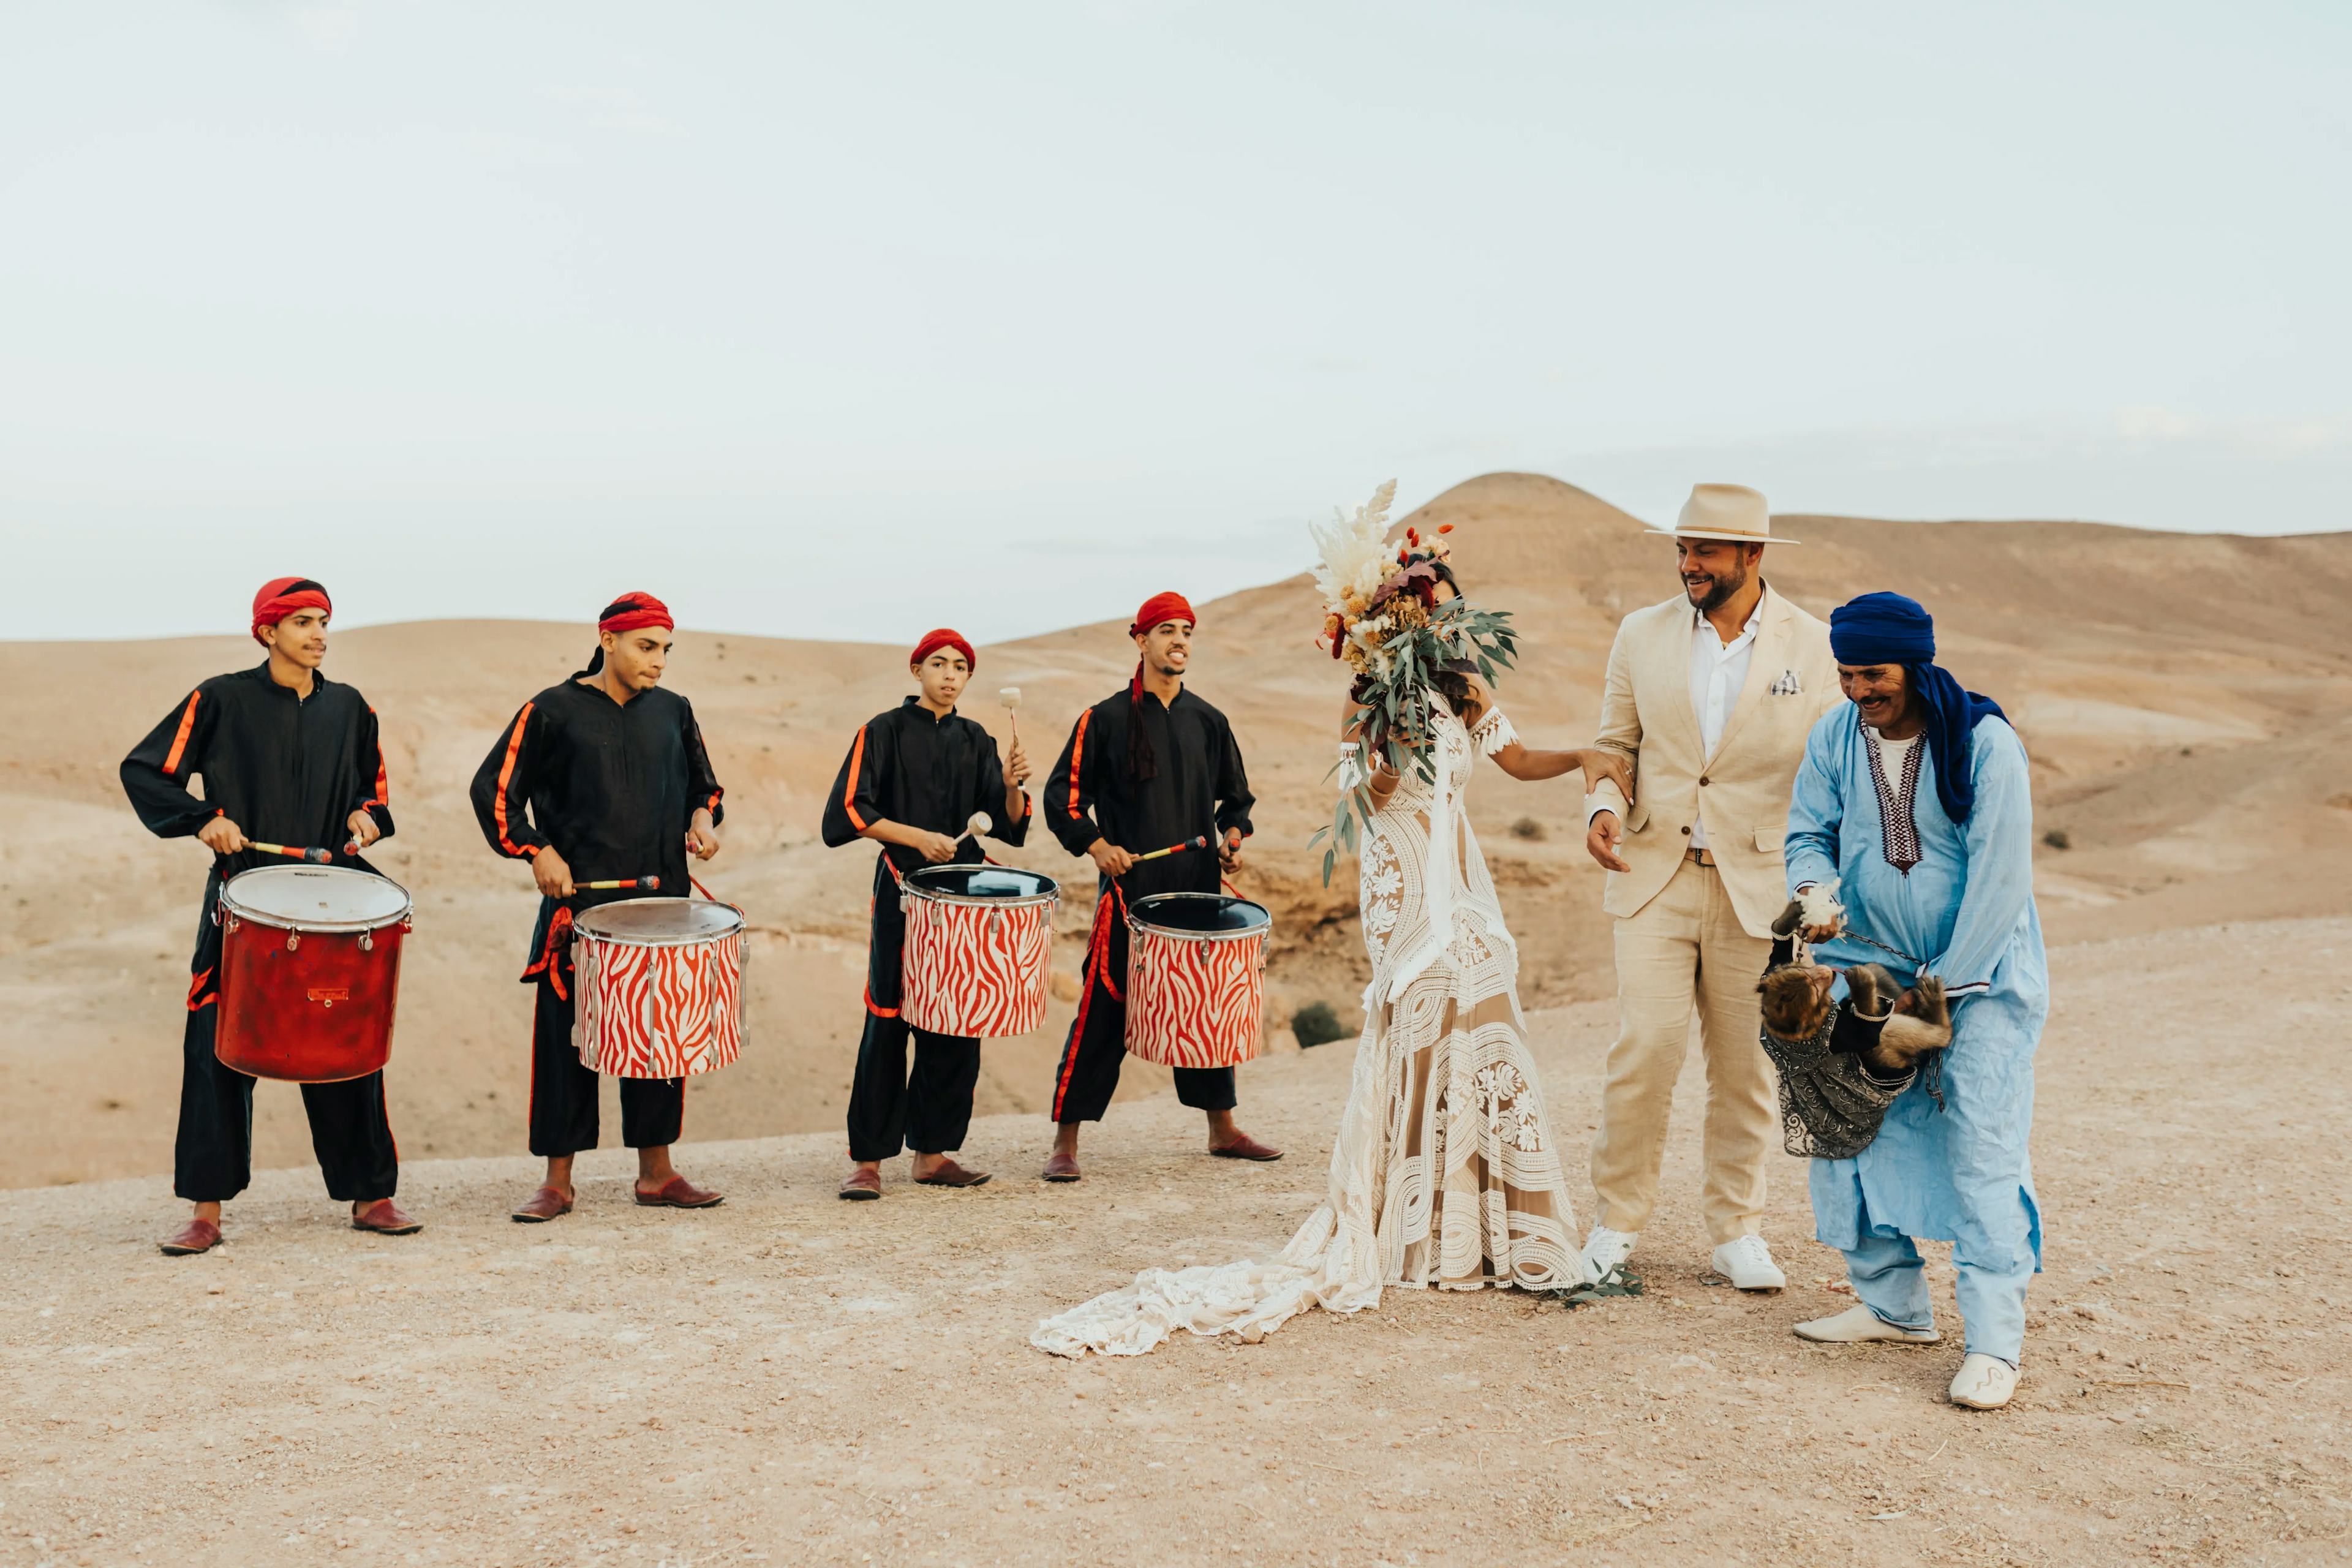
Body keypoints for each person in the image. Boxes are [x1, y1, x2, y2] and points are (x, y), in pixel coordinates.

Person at [1031, 539, 1634, 1355]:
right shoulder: (1364, 696)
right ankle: (1407, 1221)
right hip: (1399, 879)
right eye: (1433, 607)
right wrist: (1385, 756)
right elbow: (1361, 792)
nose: (1446, 620)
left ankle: (1484, 1222)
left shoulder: (1466, 687)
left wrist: (1584, 760)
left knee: (1484, 1014)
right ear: (1400, 617)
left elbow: (1515, 758)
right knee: (1408, 1027)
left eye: (1453, 605)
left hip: (1460, 876)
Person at [1784, 591, 2046, 1412]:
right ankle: (1893, 1306)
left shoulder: (1985, 745)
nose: (1860, 690)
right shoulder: (1835, 735)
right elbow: (1807, 832)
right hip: (1867, 963)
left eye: (1875, 674)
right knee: (1849, 1124)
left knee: (1978, 1136)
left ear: (1916, 664)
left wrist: (1936, 1001)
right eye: (1848, 674)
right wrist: (1814, 889)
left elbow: (2001, 885)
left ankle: (1995, 1342)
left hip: (1982, 973)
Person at [1580, 484, 1841, 1290]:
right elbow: (1614, 743)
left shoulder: (1816, 644)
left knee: (1746, 1069)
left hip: (1758, 887)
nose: (1688, 565)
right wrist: (1601, 805)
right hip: (1654, 877)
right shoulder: (1641, 633)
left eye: (1705, 553)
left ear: (1751, 557)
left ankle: (1737, 1232)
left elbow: (1829, 775)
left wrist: (1823, 887)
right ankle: (1615, 1226)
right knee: (1645, 1053)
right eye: (1683, 550)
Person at [121, 577, 416, 1254]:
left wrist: (367, 819)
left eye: (324, 622)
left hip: (333, 899)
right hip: (245, 896)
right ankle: (206, 1210)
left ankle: (371, 1195)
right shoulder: (220, 698)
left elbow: (376, 795)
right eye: (303, 621)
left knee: (345, 1040)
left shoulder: (351, 707)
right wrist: (203, 819)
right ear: (267, 631)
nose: (318, 633)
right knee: (218, 1046)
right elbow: (146, 770)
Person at [470, 592, 727, 1222]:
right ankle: (557, 1182)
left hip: (662, 901)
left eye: (667, 649)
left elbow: (706, 786)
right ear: (607, 640)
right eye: (647, 646)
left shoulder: (674, 710)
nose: (659, 661)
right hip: (580, 907)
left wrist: (701, 818)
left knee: (658, 1036)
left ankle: (657, 1172)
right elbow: (494, 791)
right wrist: (535, 850)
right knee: (568, 1043)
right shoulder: (551, 711)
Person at [1035, 591, 1275, 1180]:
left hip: (1197, 890)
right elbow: (1063, 800)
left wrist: (1233, 838)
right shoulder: (1105, 719)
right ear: (1140, 640)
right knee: (1104, 1009)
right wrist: (1099, 847)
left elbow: (1236, 802)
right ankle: (1066, 1141)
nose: (1179, 642)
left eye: (1187, 632)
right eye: (1167, 630)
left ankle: (1222, 1129)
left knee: (1204, 1006)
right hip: (1129, 894)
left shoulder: (1208, 721)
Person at [823, 628, 1032, 1199]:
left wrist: (1012, 787)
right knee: (887, 1021)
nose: (949, 674)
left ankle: (933, 1154)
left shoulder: (978, 738)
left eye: (960, 667)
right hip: (901, 889)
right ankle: (868, 1161)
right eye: (938, 663)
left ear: (968, 679)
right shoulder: (883, 730)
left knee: (957, 1020)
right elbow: (848, 811)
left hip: (963, 898)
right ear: (916, 670)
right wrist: (919, 838)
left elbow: (1007, 823)